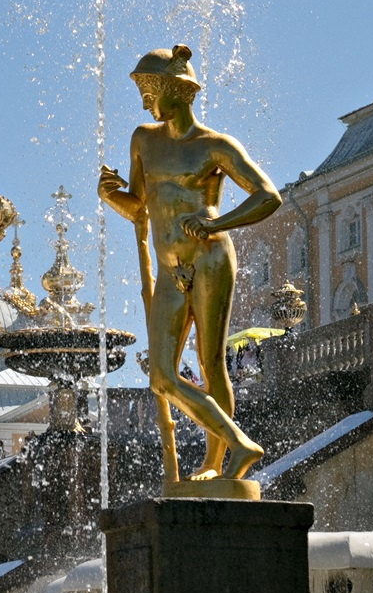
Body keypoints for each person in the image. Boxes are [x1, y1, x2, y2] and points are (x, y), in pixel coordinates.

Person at [99, 44, 280, 483]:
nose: (145, 101)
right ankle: (239, 442)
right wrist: (110, 195)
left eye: (150, 91)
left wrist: (217, 222)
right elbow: (139, 207)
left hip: (209, 257)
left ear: (175, 90)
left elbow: (268, 196)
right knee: (161, 377)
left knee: (210, 362)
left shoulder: (214, 146)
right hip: (169, 268)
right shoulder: (143, 140)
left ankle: (217, 462)